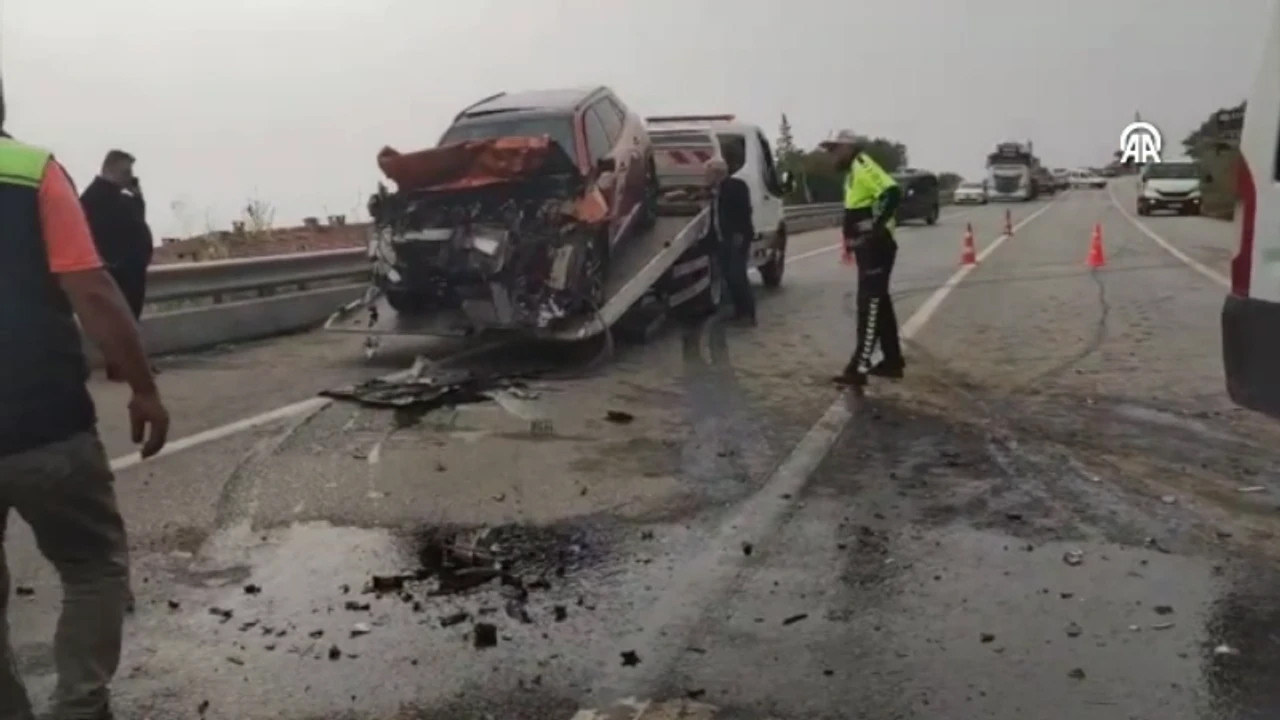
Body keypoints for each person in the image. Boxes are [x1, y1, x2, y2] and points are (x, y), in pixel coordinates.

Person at [0, 89, 169, 720]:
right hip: (44, 422)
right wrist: (143, 387)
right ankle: (79, 706)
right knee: (92, 565)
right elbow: (91, 290)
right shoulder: (30, 171)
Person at [821, 130, 905, 387]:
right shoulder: (852, 172)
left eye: (834, 150)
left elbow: (892, 192)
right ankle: (892, 361)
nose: (831, 156)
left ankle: (858, 367)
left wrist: (875, 227)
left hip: (876, 247)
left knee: (869, 306)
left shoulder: (862, 165)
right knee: (880, 303)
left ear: (848, 148)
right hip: (867, 247)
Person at [80, 150, 154, 380]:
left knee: (131, 317)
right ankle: (120, 367)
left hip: (132, 266)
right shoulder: (94, 197)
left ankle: (134, 365)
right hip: (116, 267)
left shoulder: (120, 197)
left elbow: (137, 221)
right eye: (125, 172)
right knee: (119, 321)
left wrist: (137, 196)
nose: (129, 177)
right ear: (110, 169)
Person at [705, 157, 757, 325]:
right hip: (722, 239)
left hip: (736, 238)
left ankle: (748, 314)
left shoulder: (736, 186)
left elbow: (744, 211)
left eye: (708, 173)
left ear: (717, 173)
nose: (706, 177)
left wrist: (740, 234)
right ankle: (739, 311)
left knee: (737, 276)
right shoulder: (717, 190)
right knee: (728, 277)